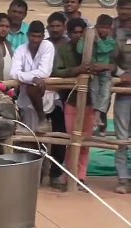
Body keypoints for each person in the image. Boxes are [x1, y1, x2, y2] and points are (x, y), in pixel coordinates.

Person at [52, 17, 93, 191]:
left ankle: (81, 177)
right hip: (71, 99)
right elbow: (57, 71)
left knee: (85, 142)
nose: (77, 35)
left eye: (80, 32)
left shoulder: (92, 49)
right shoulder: (63, 49)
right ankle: (69, 174)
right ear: (68, 34)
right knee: (71, 139)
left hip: (91, 101)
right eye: (74, 32)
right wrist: (77, 70)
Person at [10, 21, 56, 132]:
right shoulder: (20, 49)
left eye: (38, 37)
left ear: (43, 37)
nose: (35, 40)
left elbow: (44, 72)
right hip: (25, 97)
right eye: (32, 36)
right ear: (27, 35)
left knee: (44, 137)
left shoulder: (48, 46)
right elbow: (13, 73)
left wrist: (25, 77)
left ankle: (42, 119)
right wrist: (32, 78)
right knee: (27, 134)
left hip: (43, 94)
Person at [78, 14, 115, 136]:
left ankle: (98, 115)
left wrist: (97, 40)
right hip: (92, 71)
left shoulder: (110, 40)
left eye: (106, 28)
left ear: (110, 28)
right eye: (101, 27)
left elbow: (104, 50)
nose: (103, 30)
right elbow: (79, 50)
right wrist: (85, 39)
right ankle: (96, 115)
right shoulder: (90, 36)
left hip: (104, 71)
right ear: (96, 27)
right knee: (94, 89)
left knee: (105, 91)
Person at [45, 11, 69, 189]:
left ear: (64, 27)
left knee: (60, 135)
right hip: (40, 96)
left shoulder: (70, 46)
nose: (55, 29)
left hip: (63, 98)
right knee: (35, 134)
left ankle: (55, 173)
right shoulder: (42, 45)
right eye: (52, 26)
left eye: (58, 26)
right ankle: (36, 173)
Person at [112, 0, 131, 193]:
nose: (124, 11)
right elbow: (108, 57)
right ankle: (123, 178)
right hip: (123, 88)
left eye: (128, 7)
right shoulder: (112, 27)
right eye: (122, 7)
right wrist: (120, 74)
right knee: (121, 135)